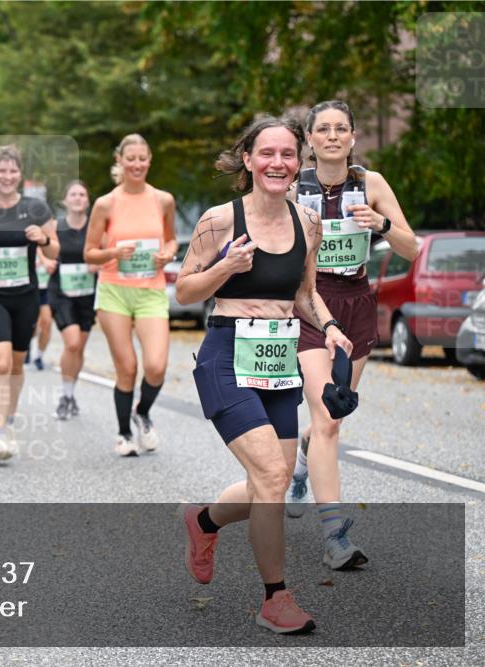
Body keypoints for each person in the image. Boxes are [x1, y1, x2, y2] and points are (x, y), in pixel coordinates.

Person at [177, 115, 352, 635]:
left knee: (266, 482)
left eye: (288, 155)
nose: (278, 163)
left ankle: (203, 520)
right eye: (267, 153)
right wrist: (224, 269)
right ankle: (275, 598)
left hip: (277, 360)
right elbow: (186, 291)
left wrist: (332, 326)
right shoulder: (219, 220)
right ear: (249, 160)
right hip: (226, 356)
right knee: (274, 478)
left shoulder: (307, 222)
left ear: (300, 163)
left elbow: (305, 293)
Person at [285, 100, 418, 569]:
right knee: (326, 415)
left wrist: (381, 225)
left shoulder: (370, 183)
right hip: (309, 303)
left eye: (342, 128)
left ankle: (303, 458)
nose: (333, 136)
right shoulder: (293, 185)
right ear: (311, 139)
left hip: (356, 303)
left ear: (353, 137)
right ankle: (334, 536)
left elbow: (411, 245)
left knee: (332, 418)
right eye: (324, 129)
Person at [0, 145, 59, 463]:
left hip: (26, 296)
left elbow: (55, 250)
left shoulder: (35, 208)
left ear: (20, 174)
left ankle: (10, 418)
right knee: (1, 362)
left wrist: (43, 240)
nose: (6, 176)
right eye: (0, 171)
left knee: (17, 364)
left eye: (12, 171)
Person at [84, 134, 177, 456]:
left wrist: (167, 253)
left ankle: (143, 411)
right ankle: (124, 433)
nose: (137, 164)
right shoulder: (106, 204)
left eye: (142, 158)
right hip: (114, 292)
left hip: (150, 289)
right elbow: (89, 254)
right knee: (127, 367)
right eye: (130, 159)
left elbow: (171, 239)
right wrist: (112, 251)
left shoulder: (163, 199)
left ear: (149, 160)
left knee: (156, 366)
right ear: (119, 161)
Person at [49, 181, 98, 420]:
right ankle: (65, 395)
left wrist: (97, 263)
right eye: (73, 194)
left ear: (87, 201)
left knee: (80, 347)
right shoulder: (55, 226)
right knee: (72, 343)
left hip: (88, 293)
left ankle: (70, 393)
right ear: (65, 200)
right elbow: (40, 248)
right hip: (61, 292)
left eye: (82, 194)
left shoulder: (95, 228)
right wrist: (44, 261)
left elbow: (106, 253)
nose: (78, 198)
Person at [29, 251, 55, 370]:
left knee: (47, 321)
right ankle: (25, 343)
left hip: (46, 287)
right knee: (30, 325)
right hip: (29, 288)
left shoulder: (51, 236)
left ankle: (39, 356)